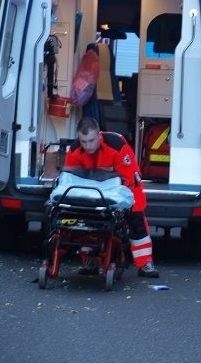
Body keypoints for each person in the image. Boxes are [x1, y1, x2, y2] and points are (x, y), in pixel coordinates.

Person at [65, 117, 159, 277]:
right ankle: (90, 260)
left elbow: (130, 177)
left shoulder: (116, 145)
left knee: (136, 216)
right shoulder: (74, 151)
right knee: (83, 220)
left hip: (122, 189)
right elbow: (70, 178)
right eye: (84, 141)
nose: (88, 146)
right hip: (91, 193)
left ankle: (144, 263)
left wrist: (120, 200)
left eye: (92, 140)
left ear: (99, 135)